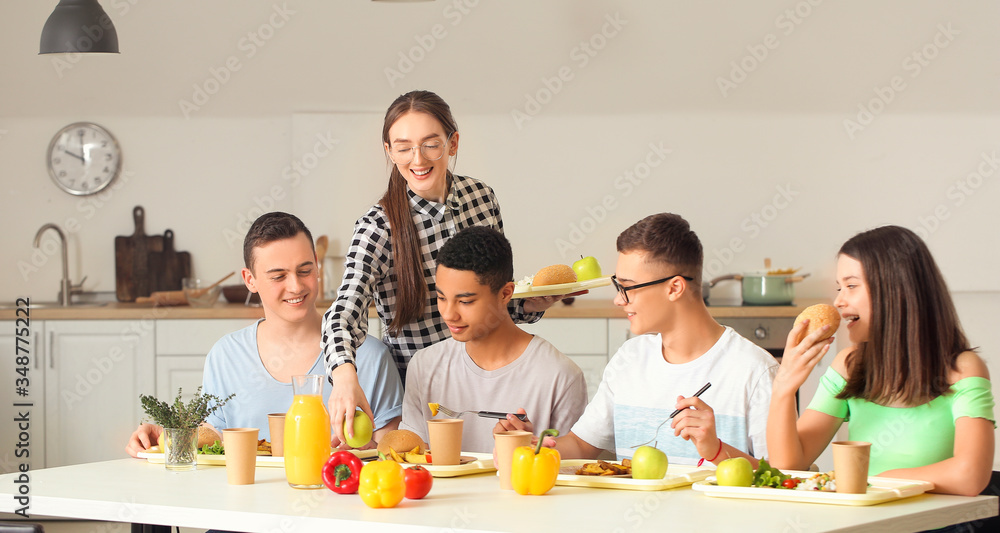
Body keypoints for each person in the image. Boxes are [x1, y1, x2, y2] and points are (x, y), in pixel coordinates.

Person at [322, 90, 564, 445]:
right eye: (403, 147)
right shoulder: (378, 227)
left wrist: (528, 304)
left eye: (430, 144)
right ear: (389, 152)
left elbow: (492, 300)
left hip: (492, 379)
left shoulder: (481, 198)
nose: (416, 159)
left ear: (452, 144)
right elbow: (342, 313)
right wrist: (344, 376)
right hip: (424, 397)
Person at [498, 213, 778, 467]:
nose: (619, 300)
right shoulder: (630, 358)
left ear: (675, 288)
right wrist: (532, 444)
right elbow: (582, 445)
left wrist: (717, 449)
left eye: (628, 288)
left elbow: (779, 478)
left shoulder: (754, 371)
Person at [126, 212, 403, 457]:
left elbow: (390, 451)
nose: (295, 286)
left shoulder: (369, 357)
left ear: (317, 267)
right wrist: (167, 436)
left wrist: (365, 450)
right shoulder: (226, 356)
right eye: (278, 276)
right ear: (250, 280)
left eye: (304, 270)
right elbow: (213, 442)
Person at [767, 225, 995, 496]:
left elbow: (970, 476)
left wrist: (878, 480)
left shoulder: (962, 369)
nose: (838, 301)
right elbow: (790, 465)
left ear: (895, 289)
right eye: (840, 288)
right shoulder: (849, 366)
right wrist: (784, 387)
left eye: (851, 286)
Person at [398, 226, 588, 453]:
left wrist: (532, 450)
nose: (449, 314)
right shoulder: (424, 366)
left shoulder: (560, 376)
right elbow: (413, 460)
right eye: (441, 297)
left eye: (465, 301)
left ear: (506, 293)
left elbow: (571, 474)